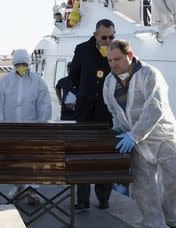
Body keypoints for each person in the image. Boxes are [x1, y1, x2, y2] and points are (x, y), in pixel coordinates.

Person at [104, 40, 176, 228]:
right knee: (143, 188)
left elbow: (155, 108)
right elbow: (113, 110)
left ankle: (171, 217)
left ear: (129, 55)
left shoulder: (149, 74)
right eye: (110, 60)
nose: (113, 64)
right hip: (135, 142)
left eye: (117, 59)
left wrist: (135, 135)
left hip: (163, 137)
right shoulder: (109, 82)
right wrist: (118, 129)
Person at [0, 49, 51, 204]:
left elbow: (44, 105)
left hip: (31, 130)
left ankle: (32, 190)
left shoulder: (37, 81)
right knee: (14, 159)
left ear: (28, 64)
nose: (21, 67)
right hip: (11, 129)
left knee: (31, 160)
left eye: (24, 64)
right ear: (13, 64)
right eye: (18, 64)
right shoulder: (5, 81)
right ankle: (17, 187)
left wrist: (42, 125)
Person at [69, 19, 115, 210]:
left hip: (106, 113)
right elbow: (74, 76)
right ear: (96, 35)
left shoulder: (116, 50)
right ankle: (83, 200)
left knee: (106, 157)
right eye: (104, 37)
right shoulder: (82, 49)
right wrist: (86, 92)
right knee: (83, 155)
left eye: (112, 36)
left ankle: (104, 198)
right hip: (85, 112)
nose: (108, 40)